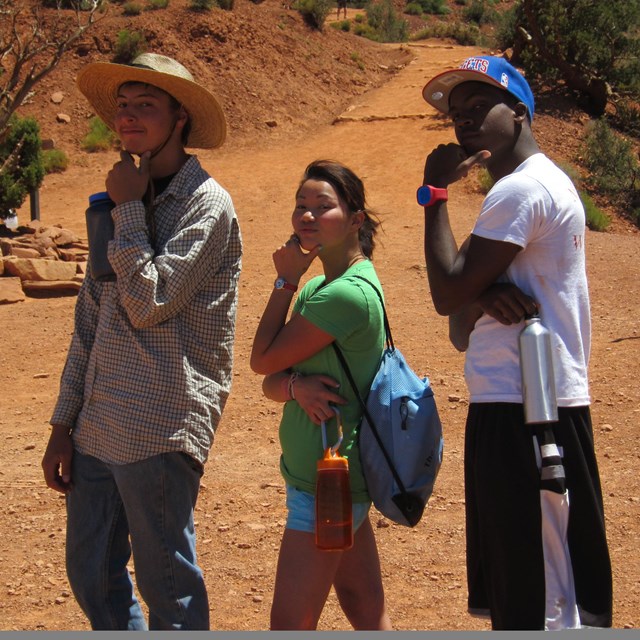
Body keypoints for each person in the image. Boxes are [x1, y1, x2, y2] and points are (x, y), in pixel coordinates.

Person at [41, 53, 242, 630]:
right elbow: (92, 315)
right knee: (91, 572)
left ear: (180, 117)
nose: (128, 117)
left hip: (160, 419)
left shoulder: (207, 204)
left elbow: (149, 301)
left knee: (168, 587)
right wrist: (63, 424)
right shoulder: (117, 196)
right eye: (123, 106)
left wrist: (127, 206)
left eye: (145, 106)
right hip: (99, 423)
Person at [419, 55, 612, 630]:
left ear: (521, 113)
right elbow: (461, 319)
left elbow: (446, 293)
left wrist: (433, 192)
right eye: (457, 114)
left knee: (540, 597)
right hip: (525, 399)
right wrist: (482, 296)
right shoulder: (534, 185)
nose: (465, 122)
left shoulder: (520, 192)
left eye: (480, 107)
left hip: (528, 407)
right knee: (530, 583)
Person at [250, 160, 392, 631]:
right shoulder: (323, 286)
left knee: (290, 624)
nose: (307, 216)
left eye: (323, 206)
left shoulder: (343, 294)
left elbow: (262, 360)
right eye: (301, 206)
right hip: (330, 478)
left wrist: (284, 281)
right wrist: (295, 387)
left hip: (327, 484)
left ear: (355, 219)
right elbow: (274, 383)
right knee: (367, 611)